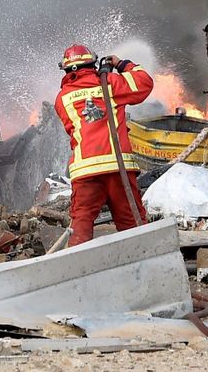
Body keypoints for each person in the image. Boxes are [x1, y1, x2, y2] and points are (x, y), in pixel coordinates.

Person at [53, 44, 155, 246]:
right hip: (118, 169)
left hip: (86, 171)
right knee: (132, 226)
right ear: (92, 64)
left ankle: (77, 269)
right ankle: (142, 264)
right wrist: (121, 64)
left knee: (80, 226)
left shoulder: (62, 99)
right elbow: (145, 83)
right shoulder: (110, 84)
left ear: (66, 70)